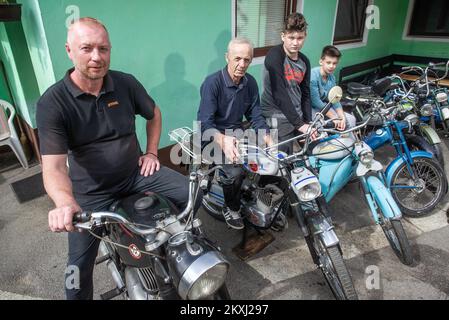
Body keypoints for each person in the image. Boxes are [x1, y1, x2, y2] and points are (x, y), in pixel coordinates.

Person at [36, 17, 198, 300]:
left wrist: (150, 151)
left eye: (104, 49)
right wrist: (65, 203)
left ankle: (183, 256)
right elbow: (54, 167)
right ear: (69, 50)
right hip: (90, 195)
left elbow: (154, 114)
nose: (97, 57)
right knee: (77, 272)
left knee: (190, 193)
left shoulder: (125, 83)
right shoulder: (53, 103)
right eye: (87, 48)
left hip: (135, 175)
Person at [197, 38, 272, 230]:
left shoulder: (250, 83)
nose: (242, 64)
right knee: (236, 171)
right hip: (211, 136)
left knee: (267, 162)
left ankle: (256, 200)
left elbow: (256, 115)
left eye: (247, 60)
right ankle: (230, 207)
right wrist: (222, 139)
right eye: (237, 58)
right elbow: (205, 123)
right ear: (227, 57)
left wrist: (267, 136)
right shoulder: (212, 83)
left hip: (237, 134)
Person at [261, 12, 315, 154]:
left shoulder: (305, 61)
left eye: (300, 38)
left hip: (297, 114)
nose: (295, 42)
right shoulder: (274, 56)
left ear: (305, 37)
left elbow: (306, 94)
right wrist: (300, 124)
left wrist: (307, 123)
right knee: (284, 157)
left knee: (313, 148)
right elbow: (279, 93)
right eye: (291, 37)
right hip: (275, 114)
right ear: (283, 36)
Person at [310, 45, 356, 130]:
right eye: (328, 62)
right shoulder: (313, 76)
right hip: (311, 107)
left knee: (350, 119)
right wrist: (334, 117)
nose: (331, 66)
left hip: (325, 106)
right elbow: (315, 102)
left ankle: (348, 142)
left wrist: (342, 117)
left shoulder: (332, 77)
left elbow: (335, 99)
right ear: (321, 61)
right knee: (320, 128)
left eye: (334, 63)